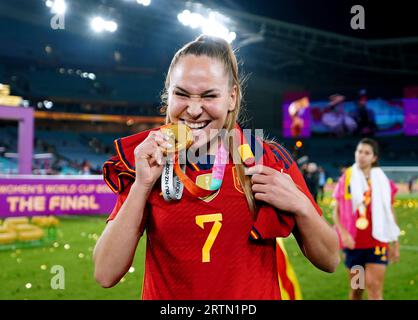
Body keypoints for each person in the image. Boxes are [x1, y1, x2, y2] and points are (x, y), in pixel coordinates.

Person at [93, 35, 340, 300]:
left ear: (232, 97)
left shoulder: (267, 159)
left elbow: (329, 260)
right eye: (181, 94)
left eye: (209, 95)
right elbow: (105, 273)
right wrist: (141, 186)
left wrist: (302, 206)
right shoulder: (149, 158)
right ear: (168, 93)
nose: (194, 109)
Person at [332, 138, 400, 300]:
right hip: (354, 245)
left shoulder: (384, 182)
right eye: (359, 151)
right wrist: (344, 234)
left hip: (378, 242)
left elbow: (389, 212)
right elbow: (336, 212)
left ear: (374, 158)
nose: (361, 155)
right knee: (357, 289)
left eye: (367, 153)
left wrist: (395, 241)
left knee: (375, 289)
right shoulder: (346, 179)